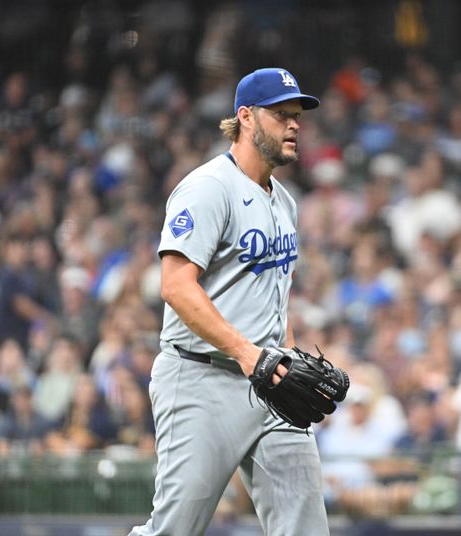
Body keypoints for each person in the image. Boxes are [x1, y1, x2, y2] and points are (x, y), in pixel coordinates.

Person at [129, 68, 328, 536]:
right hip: (201, 379)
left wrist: (290, 360)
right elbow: (176, 286)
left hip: (269, 384)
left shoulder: (285, 201)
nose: (295, 125)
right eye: (282, 115)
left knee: (306, 527)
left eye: (297, 116)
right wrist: (247, 353)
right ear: (245, 117)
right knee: (175, 530)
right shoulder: (207, 187)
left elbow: (276, 300)